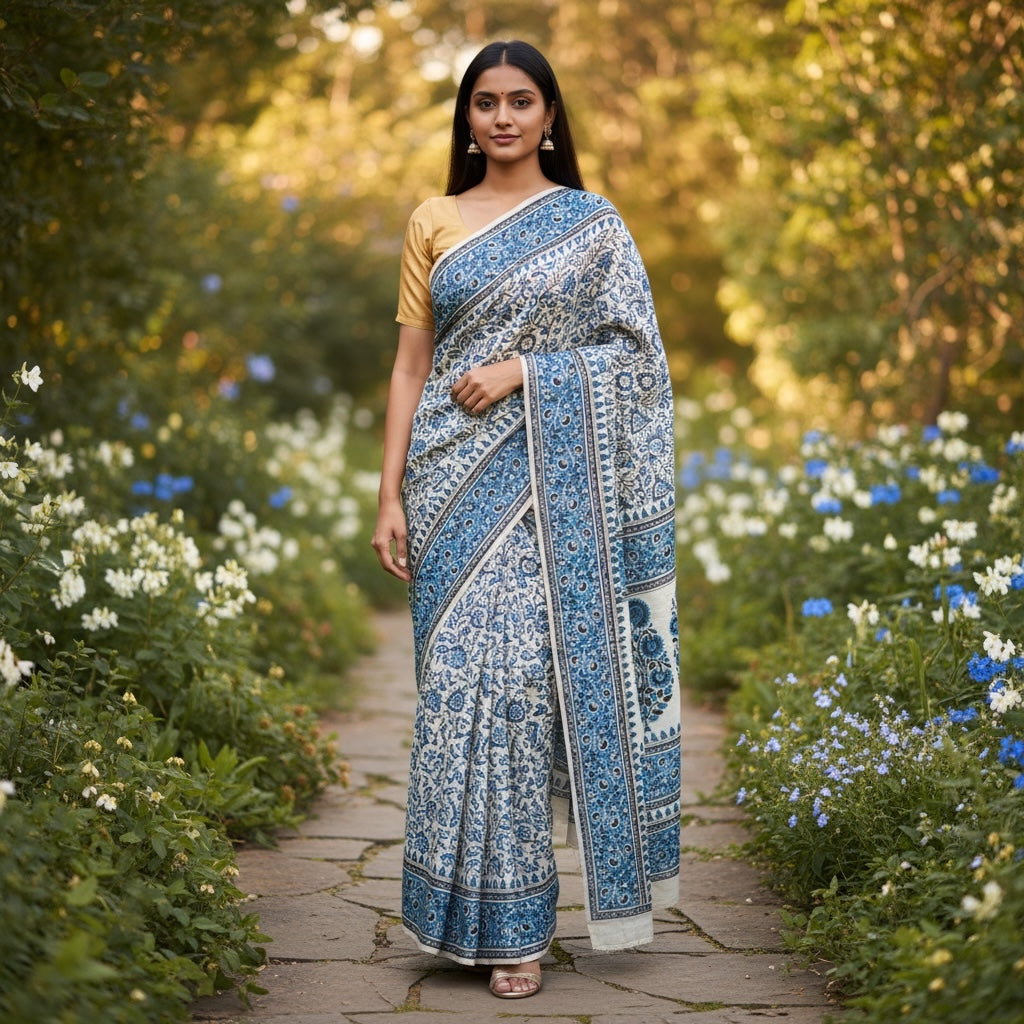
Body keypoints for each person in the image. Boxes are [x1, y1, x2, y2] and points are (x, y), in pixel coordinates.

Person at [371, 39, 680, 1000]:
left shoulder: (592, 226)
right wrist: (386, 492)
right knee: (456, 694)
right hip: (447, 478)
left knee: (515, 694)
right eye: (485, 102)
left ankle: (518, 932)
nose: (502, 117)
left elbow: (638, 363)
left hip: (552, 491)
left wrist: (525, 373)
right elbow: (411, 367)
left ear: (550, 116)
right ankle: (452, 911)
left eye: (522, 101)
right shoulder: (435, 220)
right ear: (466, 118)